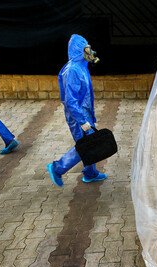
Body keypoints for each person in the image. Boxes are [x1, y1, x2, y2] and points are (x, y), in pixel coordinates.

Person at [47, 34, 107, 187]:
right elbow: (70, 101)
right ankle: (57, 168)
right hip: (77, 116)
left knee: (89, 142)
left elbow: (85, 95)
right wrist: (83, 121)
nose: (90, 53)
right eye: (86, 49)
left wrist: (90, 117)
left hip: (84, 113)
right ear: (79, 51)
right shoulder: (73, 70)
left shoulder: (81, 67)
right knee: (85, 145)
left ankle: (90, 173)